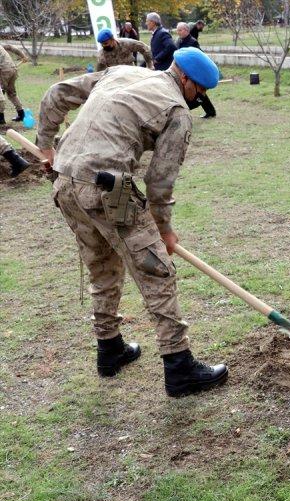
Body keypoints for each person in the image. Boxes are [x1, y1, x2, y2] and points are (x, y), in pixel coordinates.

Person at [36, 48, 228, 397]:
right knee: (158, 271)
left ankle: (109, 350)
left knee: (103, 266)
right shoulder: (176, 111)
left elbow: (57, 94)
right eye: (199, 91)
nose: (200, 99)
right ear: (184, 78)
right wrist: (164, 230)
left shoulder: (121, 73)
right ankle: (179, 366)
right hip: (111, 191)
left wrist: (46, 147)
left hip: (64, 182)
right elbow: (160, 182)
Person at [176, 22, 216, 119]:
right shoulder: (179, 41)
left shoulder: (192, 42)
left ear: (186, 30)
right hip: (183, 71)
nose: (178, 32)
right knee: (195, 92)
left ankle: (210, 111)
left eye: (180, 30)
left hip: (192, 72)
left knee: (198, 93)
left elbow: (199, 56)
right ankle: (210, 111)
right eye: (177, 30)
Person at [0, 43, 28, 124]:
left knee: (1, 94)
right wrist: (23, 56)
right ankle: (21, 114)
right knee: (12, 94)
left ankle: (1, 119)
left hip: (4, 71)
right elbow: (10, 47)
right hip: (13, 69)